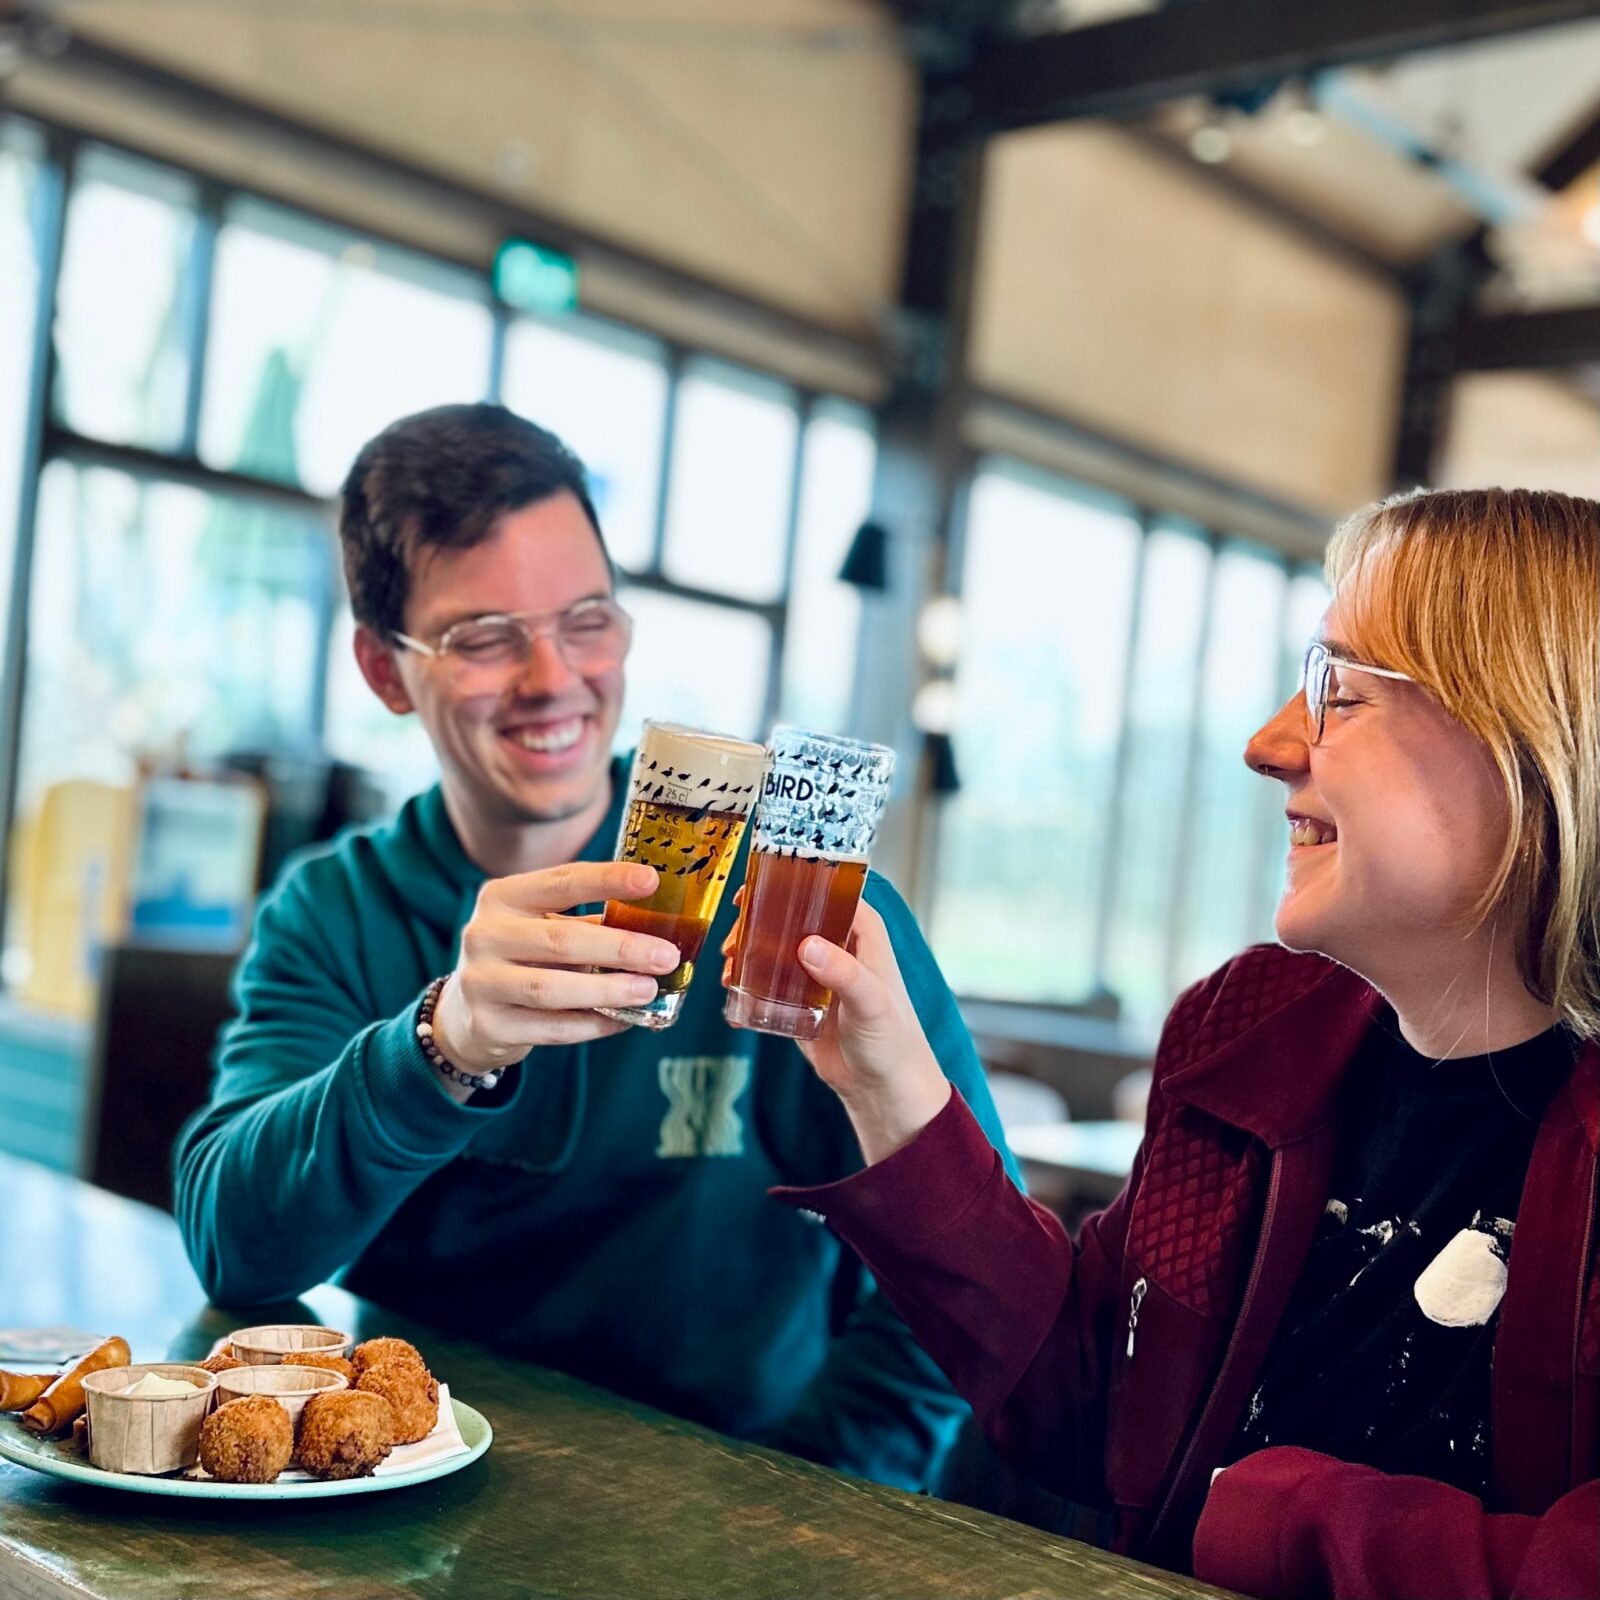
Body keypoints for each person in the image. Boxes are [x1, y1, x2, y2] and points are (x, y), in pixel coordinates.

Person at [768, 488, 1600, 1597]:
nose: (1269, 744)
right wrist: (890, 1084)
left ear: (1532, 748)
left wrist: (1272, 1513)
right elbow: (1091, 1410)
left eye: (1338, 693)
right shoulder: (1250, 1026)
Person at [173, 402, 1019, 1491]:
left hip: (734, 1517)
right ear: (384, 670)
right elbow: (235, 1248)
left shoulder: (794, 906)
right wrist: (442, 1043)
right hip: (407, 1500)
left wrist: (795, 1509)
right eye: (483, 636)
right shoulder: (338, 911)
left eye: (586, 619)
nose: (553, 678)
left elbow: (965, 1275)